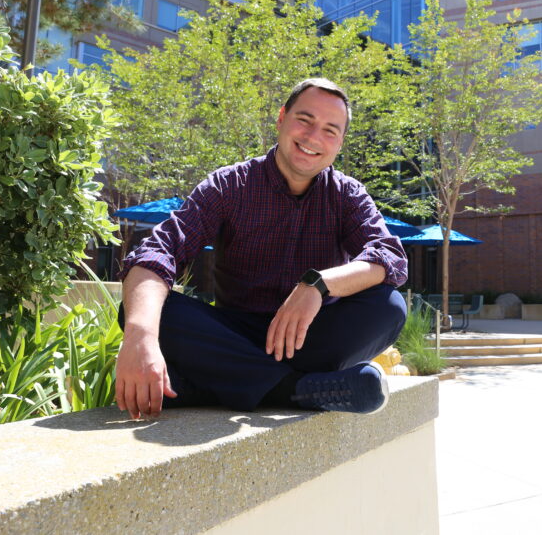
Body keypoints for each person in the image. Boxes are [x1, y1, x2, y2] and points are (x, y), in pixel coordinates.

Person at [115, 78, 408, 420]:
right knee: (143, 311)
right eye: (305, 120)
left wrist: (317, 284)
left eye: (330, 130)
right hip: (230, 333)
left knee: (388, 306)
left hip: (308, 339)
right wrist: (140, 337)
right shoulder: (229, 184)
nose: (314, 138)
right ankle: (297, 391)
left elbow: (388, 257)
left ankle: (212, 384)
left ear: (340, 142)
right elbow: (159, 250)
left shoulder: (347, 194)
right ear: (281, 118)